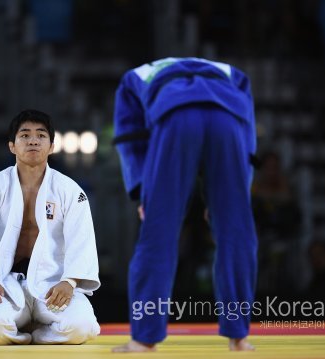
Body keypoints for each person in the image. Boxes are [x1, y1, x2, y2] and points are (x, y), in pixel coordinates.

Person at [112, 57, 258, 352]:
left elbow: (129, 137)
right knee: (236, 230)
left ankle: (143, 338)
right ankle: (239, 336)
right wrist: (232, 196)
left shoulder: (134, 76)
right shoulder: (233, 73)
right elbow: (248, 137)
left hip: (175, 115)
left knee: (159, 233)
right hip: (229, 118)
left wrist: (143, 191)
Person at [0, 109, 100, 345]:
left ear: (51, 146)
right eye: (24, 135)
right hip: (5, 283)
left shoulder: (70, 191)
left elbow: (82, 240)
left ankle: (35, 332)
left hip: (53, 282)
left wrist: (69, 283)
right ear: (12, 146)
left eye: (41, 135)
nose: (33, 140)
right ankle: (27, 330)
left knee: (82, 327)